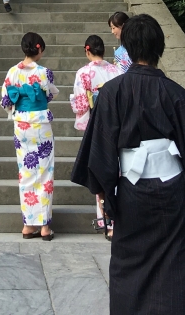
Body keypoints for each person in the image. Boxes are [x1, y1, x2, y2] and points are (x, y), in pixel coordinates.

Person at [71, 14, 185, 315]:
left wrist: (102, 189)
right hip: (174, 188)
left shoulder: (112, 92)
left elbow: (100, 145)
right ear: (160, 48)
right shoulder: (177, 93)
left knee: (128, 262)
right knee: (175, 264)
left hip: (132, 189)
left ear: (126, 46)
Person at [0, 31, 59, 240]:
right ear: (39, 49)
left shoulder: (12, 72)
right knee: (45, 172)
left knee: (25, 172)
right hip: (41, 123)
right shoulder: (44, 72)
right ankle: (44, 226)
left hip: (22, 124)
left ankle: (28, 225)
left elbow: (5, 101)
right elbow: (51, 93)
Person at [70, 35, 120, 235]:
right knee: (116, 171)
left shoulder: (83, 73)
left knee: (99, 171)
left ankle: (104, 220)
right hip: (116, 126)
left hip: (95, 126)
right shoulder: (116, 71)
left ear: (87, 50)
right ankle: (117, 219)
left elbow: (81, 104)